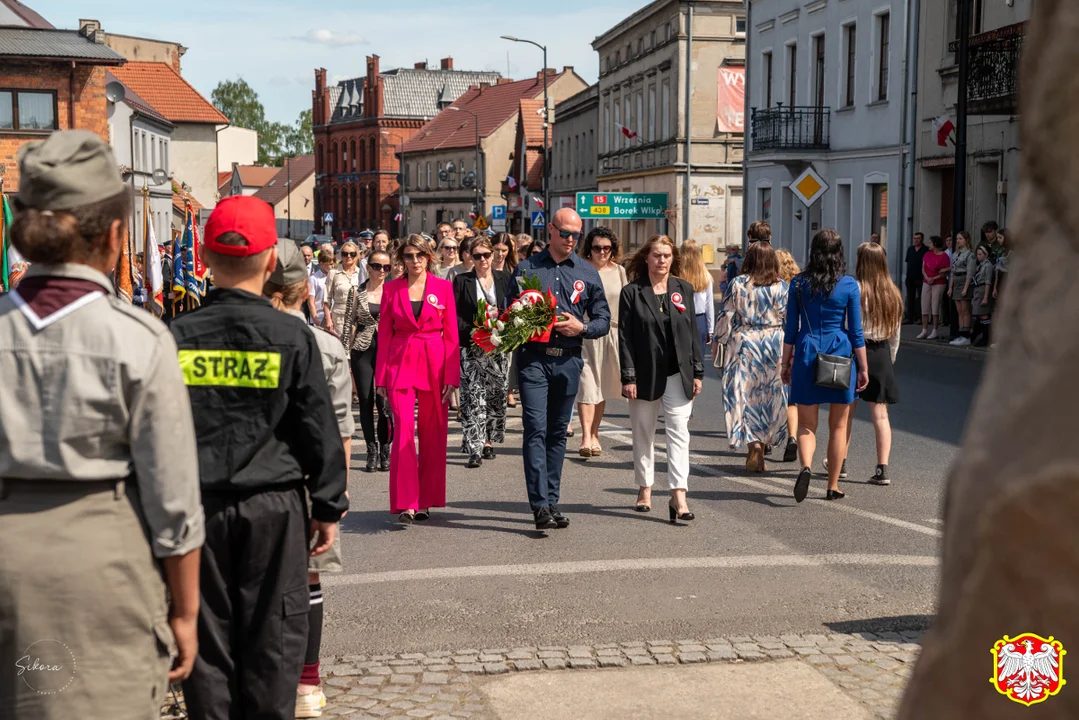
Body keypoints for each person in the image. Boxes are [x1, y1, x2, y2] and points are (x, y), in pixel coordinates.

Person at [0, 130, 203, 718]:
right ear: (115, 235)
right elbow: (174, 501)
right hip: (101, 560)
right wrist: (185, 613)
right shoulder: (137, 338)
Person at [169, 195, 347, 720]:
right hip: (273, 510)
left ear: (203, 257)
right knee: (274, 638)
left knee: (208, 642)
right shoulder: (291, 334)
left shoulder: (177, 335)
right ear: (272, 261)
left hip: (198, 510)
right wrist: (328, 505)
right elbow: (319, 426)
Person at [262, 240, 354, 719]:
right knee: (310, 579)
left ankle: (265, 677)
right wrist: (335, 493)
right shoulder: (328, 346)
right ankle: (308, 684)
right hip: (311, 477)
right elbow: (341, 430)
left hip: (255, 479)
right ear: (303, 290)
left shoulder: (246, 335)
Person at [511, 208, 611, 530]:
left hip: (568, 359)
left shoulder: (587, 271)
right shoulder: (527, 268)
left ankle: (552, 501)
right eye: (565, 233)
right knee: (535, 428)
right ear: (551, 230)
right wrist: (523, 321)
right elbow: (508, 313)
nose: (571, 240)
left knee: (557, 433)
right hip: (534, 360)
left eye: (576, 235)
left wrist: (581, 327)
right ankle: (539, 505)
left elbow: (603, 320)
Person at [375, 234, 460, 525]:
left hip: (435, 364)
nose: (414, 261)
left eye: (419, 255)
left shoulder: (444, 288)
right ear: (402, 259)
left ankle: (426, 500)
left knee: (433, 433)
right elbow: (384, 334)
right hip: (399, 363)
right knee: (402, 434)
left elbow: (451, 335)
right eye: (409, 256)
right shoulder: (391, 290)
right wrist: (380, 378)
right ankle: (407, 503)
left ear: (429, 257)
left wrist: (452, 375)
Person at [781, 228, 869, 503]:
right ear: (839, 253)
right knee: (839, 426)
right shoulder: (849, 285)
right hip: (839, 353)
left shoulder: (797, 284)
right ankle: (833, 486)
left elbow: (790, 329)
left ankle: (805, 465)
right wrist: (864, 368)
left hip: (808, 351)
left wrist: (786, 362)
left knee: (807, 424)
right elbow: (856, 332)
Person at [618, 235, 703, 519]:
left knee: (679, 433)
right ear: (647, 258)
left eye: (667, 255)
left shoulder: (684, 289)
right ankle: (645, 488)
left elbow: (692, 333)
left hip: (679, 372)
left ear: (673, 258)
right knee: (644, 432)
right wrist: (628, 376)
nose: (662, 261)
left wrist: (698, 372)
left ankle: (679, 495)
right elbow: (625, 338)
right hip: (643, 373)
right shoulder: (632, 292)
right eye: (657, 255)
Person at [714, 242, 789, 473]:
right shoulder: (782, 287)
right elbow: (789, 318)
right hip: (774, 343)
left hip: (745, 342)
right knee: (768, 396)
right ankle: (763, 448)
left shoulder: (738, 284)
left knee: (742, 395)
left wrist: (719, 341)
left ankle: (752, 444)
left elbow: (726, 314)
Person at [453, 236, 514, 467]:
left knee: (494, 396)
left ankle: (488, 439)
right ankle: (475, 447)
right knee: (474, 398)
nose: (482, 260)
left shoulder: (505, 279)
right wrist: (474, 331)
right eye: (476, 256)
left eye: (485, 255)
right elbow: (455, 315)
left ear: (492, 255)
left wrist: (504, 330)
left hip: (498, 347)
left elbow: (512, 310)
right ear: (469, 256)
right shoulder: (462, 281)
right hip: (472, 348)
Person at [850, 242, 903, 486]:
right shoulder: (892, 292)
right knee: (881, 416)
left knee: (846, 413)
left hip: (855, 351)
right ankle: (883, 468)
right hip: (881, 351)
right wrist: (888, 360)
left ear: (861, 262)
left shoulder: (855, 289)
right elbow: (895, 333)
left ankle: (840, 463)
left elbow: (849, 325)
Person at [575, 227, 627, 457]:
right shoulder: (580, 269)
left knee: (602, 388)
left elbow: (626, 304)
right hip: (584, 333)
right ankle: (586, 436)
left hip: (611, 334)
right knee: (587, 384)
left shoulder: (620, 271)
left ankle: (595, 433)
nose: (602, 252)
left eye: (607, 248)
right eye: (597, 248)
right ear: (590, 249)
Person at [348, 250, 392, 472]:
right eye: (377, 266)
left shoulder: (394, 292)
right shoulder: (356, 291)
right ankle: (371, 451)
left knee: (384, 404)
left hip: (388, 351)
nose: (382, 271)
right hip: (362, 351)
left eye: (387, 267)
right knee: (365, 401)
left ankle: (386, 449)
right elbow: (348, 325)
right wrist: (346, 358)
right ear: (368, 267)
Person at [773, 249, 802, 463]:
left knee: (770, 394)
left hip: (775, 341)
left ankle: (763, 443)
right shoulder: (798, 286)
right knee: (791, 398)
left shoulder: (773, 288)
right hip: (796, 343)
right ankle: (792, 436)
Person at [680, 239, 715, 359]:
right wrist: (710, 329)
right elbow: (709, 304)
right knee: (698, 359)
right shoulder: (705, 276)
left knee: (682, 358)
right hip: (700, 319)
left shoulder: (678, 274)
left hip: (680, 317)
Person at [324, 240, 364, 337]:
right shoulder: (333, 273)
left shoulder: (361, 273)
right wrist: (328, 320)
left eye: (352, 254)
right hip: (338, 319)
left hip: (357, 318)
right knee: (340, 349)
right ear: (341, 255)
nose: (348, 256)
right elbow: (326, 299)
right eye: (345, 254)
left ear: (357, 255)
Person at [918, 235, 950, 340]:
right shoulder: (927, 254)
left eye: (930, 243)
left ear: (935, 244)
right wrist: (927, 278)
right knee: (925, 305)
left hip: (939, 282)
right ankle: (924, 330)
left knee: (935, 305)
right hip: (927, 281)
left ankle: (935, 330)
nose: (929, 245)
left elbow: (945, 272)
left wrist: (934, 278)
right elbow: (923, 268)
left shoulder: (944, 256)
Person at [948, 231, 977, 346]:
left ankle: (966, 335)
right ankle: (961, 334)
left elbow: (970, 272)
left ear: (966, 240)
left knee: (965, 310)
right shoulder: (955, 254)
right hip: (956, 280)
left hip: (965, 280)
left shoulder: (970, 254)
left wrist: (965, 288)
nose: (958, 241)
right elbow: (952, 272)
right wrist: (950, 287)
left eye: (960, 239)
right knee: (959, 311)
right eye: (957, 239)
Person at [969, 244, 995, 347]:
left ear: (986, 255)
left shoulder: (987, 266)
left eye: (980, 254)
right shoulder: (980, 265)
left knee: (983, 314)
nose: (978, 256)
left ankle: (986, 337)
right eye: (977, 254)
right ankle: (975, 335)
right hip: (977, 289)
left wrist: (985, 297)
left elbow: (988, 282)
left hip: (983, 289)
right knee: (979, 314)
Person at [904, 232, 929, 323]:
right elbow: (908, 262)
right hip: (910, 277)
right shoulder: (910, 249)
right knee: (910, 297)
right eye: (914, 238)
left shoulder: (926, 250)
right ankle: (909, 317)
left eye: (918, 238)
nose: (916, 240)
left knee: (920, 298)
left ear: (922, 239)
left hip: (921, 277)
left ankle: (920, 318)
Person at [308, 248, 333, 328]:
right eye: (329, 264)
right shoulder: (313, 279)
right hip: (319, 317)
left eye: (333, 264)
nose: (332, 266)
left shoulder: (334, 276)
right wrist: (315, 319)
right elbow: (311, 301)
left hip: (333, 317)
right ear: (321, 263)